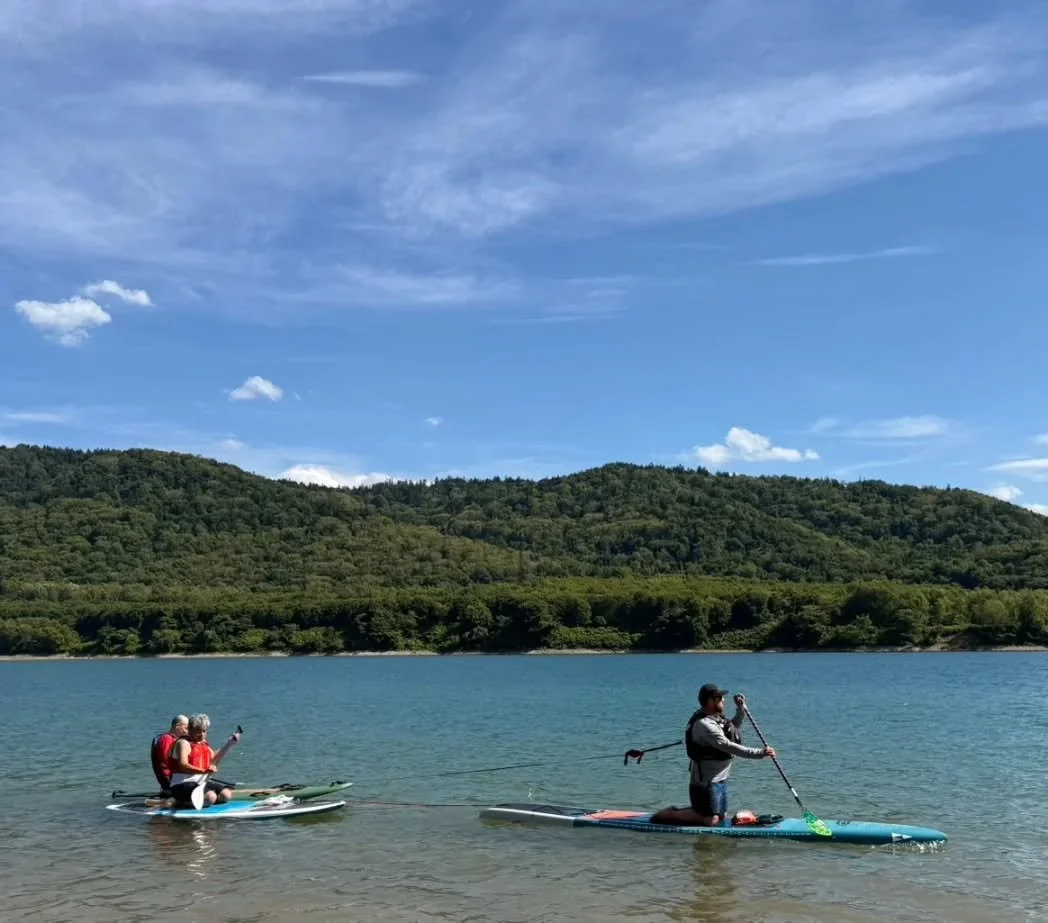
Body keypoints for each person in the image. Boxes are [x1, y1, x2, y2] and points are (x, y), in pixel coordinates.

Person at [650, 684, 775, 827]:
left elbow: (733, 727)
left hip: (720, 779)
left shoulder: (716, 718)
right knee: (712, 820)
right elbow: (727, 745)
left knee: (721, 817)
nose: (724, 701)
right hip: (704, 783)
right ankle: (671, 813)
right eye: (720, 698)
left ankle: (697, 813)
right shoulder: (704, 725)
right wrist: (760, 753)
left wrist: (741, 709)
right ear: (711, 701)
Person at [167, 713, 242, 807]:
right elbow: (182, 766)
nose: (202, 735)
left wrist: (230, 743)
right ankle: (178, 803)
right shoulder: (183, 743)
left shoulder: (203, 743)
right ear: (190, 729)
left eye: (204, 731)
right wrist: (203, 771)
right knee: (210, 796)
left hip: (200, 782)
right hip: (181, 785)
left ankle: (202, 802)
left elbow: (214, 759)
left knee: (226, 795)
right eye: (198, 731)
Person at [150, 714, 188, 793]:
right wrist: (168, 782)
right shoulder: (167, 739)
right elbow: (164, 763)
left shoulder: (176, 740)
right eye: (186, 728)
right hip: (171, 782)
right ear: (177, 726)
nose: (187, 732)